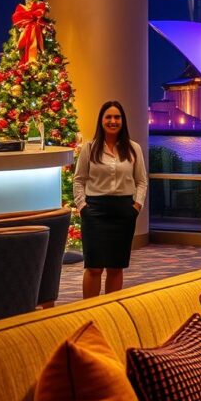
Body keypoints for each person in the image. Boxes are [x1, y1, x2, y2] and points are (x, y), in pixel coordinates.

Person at [73, 100, 147, 298]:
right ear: (101, 120)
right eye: (109, 117)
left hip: (124, 212)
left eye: (117, 117)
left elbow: (141, 181)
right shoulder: (89, 148)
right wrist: (82, 207)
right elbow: (79, 180)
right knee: (94, 267)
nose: (113, 121)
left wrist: (136, 206)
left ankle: (111, 311)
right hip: (95, 211)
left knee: (116, 267)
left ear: (123, 121)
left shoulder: (133, 149)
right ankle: (90, 311)